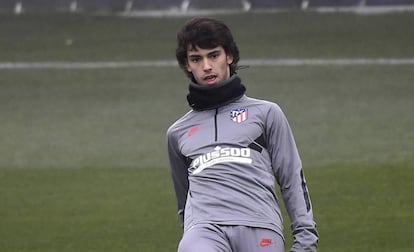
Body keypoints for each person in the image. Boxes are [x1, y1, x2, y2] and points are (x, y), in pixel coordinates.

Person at [166, 17, 319, 252]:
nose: (206, 66)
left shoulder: (267, 113)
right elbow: (183, 202)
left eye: (213, 55)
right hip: (204, 229)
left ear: (229, 56)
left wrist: (306, 241)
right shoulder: (177, 133)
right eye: (196, 59)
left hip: (260, 225)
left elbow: (292, 180)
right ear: (187, 65)